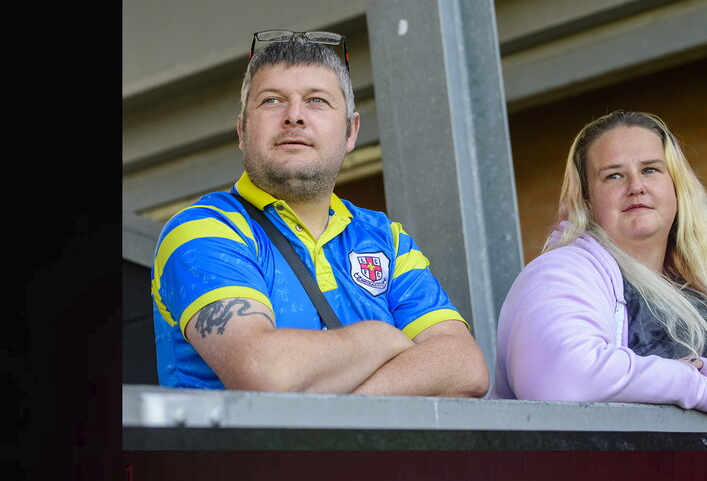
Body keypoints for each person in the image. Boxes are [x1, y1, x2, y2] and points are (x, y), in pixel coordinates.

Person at [151, 31, 489, 397]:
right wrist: (382, 338)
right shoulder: (203, 230)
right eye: (271, 101)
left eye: (316, 101)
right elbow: (265, 374)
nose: (294, 116)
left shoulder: (388, 241)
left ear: (350, 131)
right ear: (242, 131)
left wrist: (340, 408)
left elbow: (466, 367)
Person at [491, 111, 707, 428]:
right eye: (613, 175)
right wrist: (691, 385)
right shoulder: (560, 271)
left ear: (677, 187)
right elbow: (562, 378)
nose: (636, 186)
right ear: (586, 199)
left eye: (651, 170)